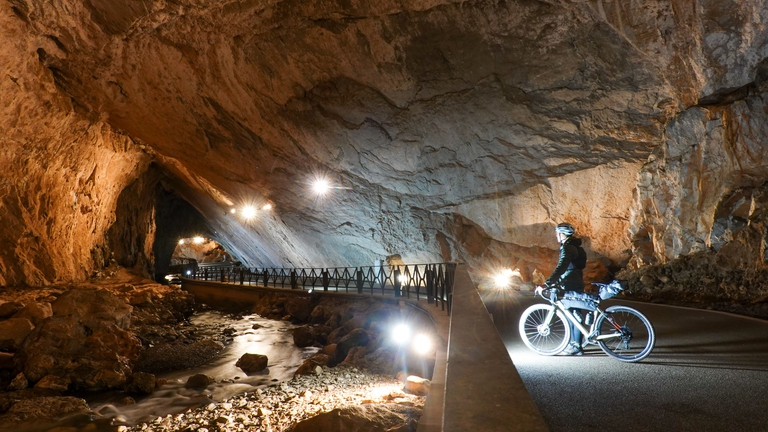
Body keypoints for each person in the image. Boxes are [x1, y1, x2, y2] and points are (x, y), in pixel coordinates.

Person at [545, 222, 587, 355]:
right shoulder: (575, 246)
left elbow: (562, 266)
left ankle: (575, 346)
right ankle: (576, 343)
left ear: (561, 234)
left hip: (569, 284)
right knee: (575, 313)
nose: (556, 235)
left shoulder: (567, 248)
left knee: (572, 314)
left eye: (557, 233)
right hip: (577, 281)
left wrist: (548, 282)